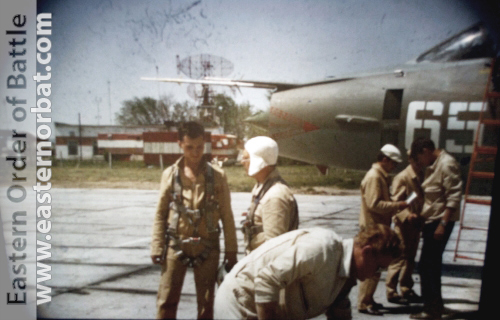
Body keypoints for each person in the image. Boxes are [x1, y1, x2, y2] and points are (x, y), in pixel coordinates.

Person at [214, 224, 402, 320]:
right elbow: (266, 280)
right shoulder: (322, 249)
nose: (375, 275)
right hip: (240, 299)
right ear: (367, 252)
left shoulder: (346, 276)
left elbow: (339, 312)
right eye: (378, 268)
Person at [150, 121, 238, 319]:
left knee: (207, 305)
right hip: (175, 244)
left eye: (199, 147)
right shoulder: (170, 175)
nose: (195, 152)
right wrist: (156, 246)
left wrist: (231, 251)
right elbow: (160, 213)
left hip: (208, 247)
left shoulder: (217, 176)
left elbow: (227, 215)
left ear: (204, 144)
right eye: (189, 147)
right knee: (166, 302)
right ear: (180, 143)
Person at [409, 138, 462, 320]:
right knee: (430, 265)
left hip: (440, 222)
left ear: (426, 151)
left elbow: (454, 197)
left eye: (419, 158)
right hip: (432, 221)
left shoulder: (446, 164)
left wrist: (443, 224)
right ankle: (436, 306)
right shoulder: (434, 165)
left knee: (427, 265)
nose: (419, 162)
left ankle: (431, 311)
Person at [358, 144, 409, 315]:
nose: (394, 166)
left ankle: (369, 299)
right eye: (393, 163)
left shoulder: (380, 176)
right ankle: (364, 303)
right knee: (371, 267)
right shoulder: (374, 177)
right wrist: (397, 205)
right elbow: (374, 204)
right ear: (385, 160)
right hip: (373, 227)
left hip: (377, 227)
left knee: (376, 267)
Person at [240, 136, 299, 253]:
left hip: (265, 266)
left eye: (246, 158)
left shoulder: (275, 196)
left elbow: (274, 248)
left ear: (259, 161)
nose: (242, 162)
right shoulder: (262, 187)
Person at [385, 151, 425, 305]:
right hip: (403, 225)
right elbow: (396, 202)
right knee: (399, 257)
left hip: (415, 224)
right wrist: (407, 215)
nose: (419, 165)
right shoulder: (402, 177)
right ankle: (391, 291)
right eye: (417, 162)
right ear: (411, 160)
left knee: (410, 259)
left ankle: (406, 288)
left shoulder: (421, 175)